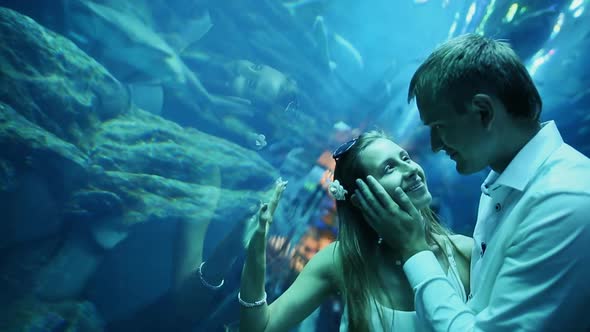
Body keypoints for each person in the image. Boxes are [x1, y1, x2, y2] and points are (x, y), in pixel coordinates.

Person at [353, 33, 590, 331]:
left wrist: (413, 249)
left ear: (484, 112)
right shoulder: (502, 188)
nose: (435, 144)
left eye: (439, 126)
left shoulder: (563, 202)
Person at [239, 131, 473, 332]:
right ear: (361, 199)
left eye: (406, 158)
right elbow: (260, 328)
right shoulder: (343, 261)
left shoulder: (465, 253)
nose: (410, 169)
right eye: (389, 167)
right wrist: (256, 251)